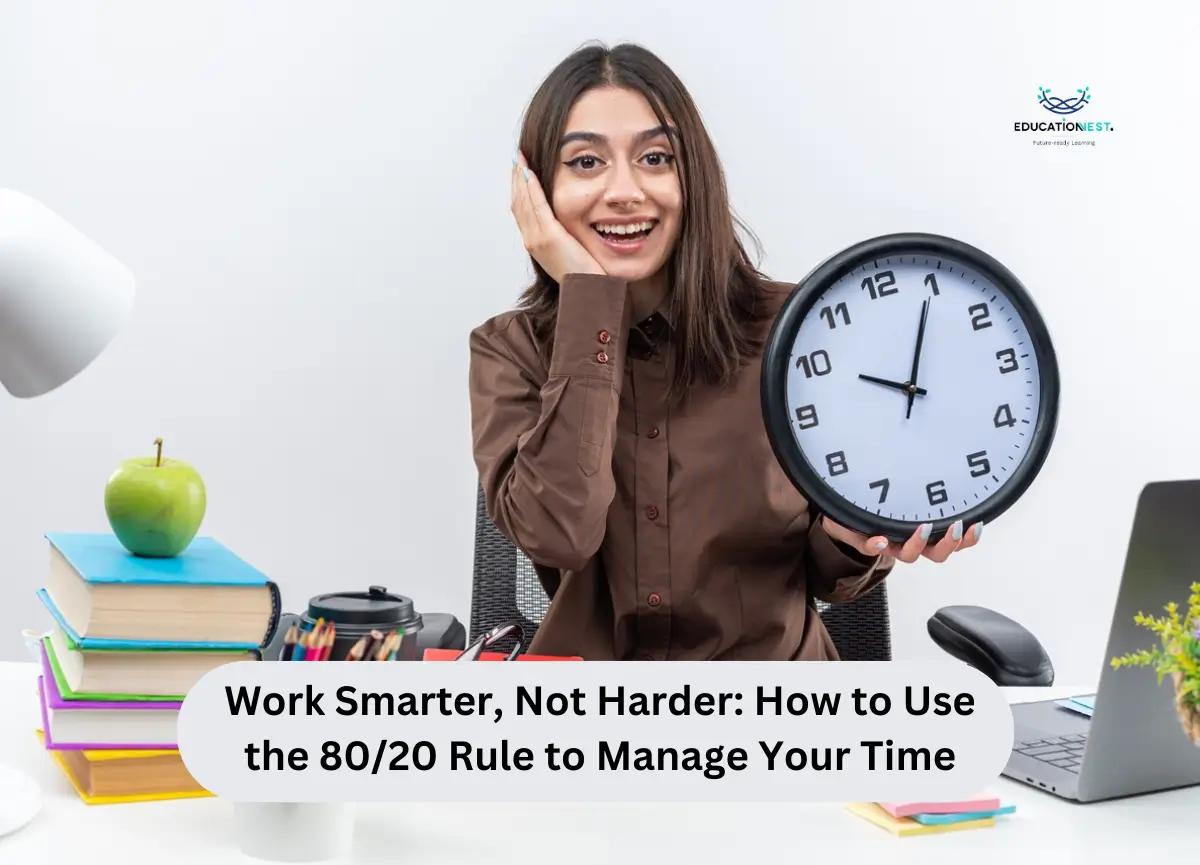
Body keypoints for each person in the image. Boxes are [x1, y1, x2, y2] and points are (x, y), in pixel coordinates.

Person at [468, 42, 982, 661]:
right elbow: (559, 535)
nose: (624, 191)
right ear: (536, 191)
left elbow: (829, 575)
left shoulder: (798, 331)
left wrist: (857, 537)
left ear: (695, 180)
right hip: (592, 724)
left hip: (775, 719)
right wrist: (592, 305)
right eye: (584, 162)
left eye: (656, 158)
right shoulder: (511, 350)